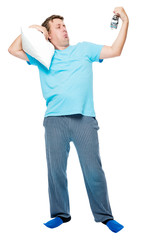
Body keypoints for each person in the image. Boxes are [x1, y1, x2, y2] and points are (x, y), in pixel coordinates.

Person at [8, 7, 129, 233]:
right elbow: (12, 49)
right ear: (48, 35)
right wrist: (34, 30)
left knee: (93, 170)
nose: (64, 29)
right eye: (58, 26)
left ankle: (105, 216)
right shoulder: (42, 56)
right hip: (54, 120)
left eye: (64, 25)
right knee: (56, 170)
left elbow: (115, 50)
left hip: (84, 119)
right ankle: (60, 214)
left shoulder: (83, 49)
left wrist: (126, 21)